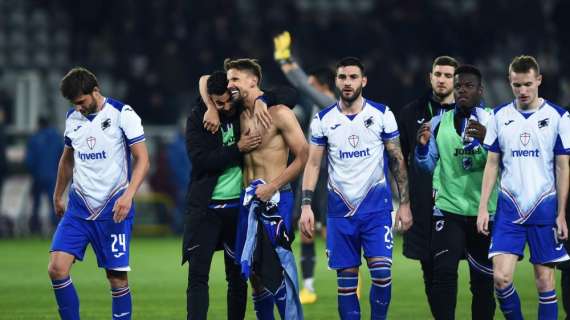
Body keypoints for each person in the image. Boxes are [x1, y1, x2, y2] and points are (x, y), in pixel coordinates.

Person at [299, 57, 412, 319]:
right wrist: (306, 205)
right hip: (339, 213)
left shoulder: (382, 114)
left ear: (363, 81)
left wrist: (405, 204)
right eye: (342, 77)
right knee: (347, 281)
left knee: (382, 273)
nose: (347, 82)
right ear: (336, 81)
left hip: (376, 210)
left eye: (352, 77)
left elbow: (397, 160)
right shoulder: (323, 120)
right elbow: (313, 164)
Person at [184, 70, 295, 320]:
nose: (223, 107)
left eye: (226, 101)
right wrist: (238, 148)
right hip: (206, 209)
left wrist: (264, 100)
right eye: (217, 103)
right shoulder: (198, 118)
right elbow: (201, 162)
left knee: (237, 278)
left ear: (233, 94)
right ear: (209, 99)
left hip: (239, 209)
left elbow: (291, 94)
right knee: (198, 276)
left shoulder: (242, 112)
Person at [47, 67, 150, 320]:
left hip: (113, 209)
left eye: (81, 102)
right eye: (75, 104)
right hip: (79, 208)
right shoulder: (73, 119)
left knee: (116, 278)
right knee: (57, 269)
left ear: (95, 91)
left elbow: (143, 159)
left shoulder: (122, 114)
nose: (79, 107)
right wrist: (58, 194)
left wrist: (128, 195)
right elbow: (66, 161)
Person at [477, 55, 570, 320]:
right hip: (509, 210)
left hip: (544, 209)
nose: (523, 90)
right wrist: (483, 207)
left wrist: (561, 213)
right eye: (517, 85)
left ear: (539, 80)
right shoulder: (498, 116)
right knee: (501, 279)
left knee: (545, 281)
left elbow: (563, 167)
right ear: (510, 82)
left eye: (528, 84)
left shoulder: (559, 117)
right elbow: (492, 164)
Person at [226, 58, 308, 320]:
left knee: (277, 269)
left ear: (253, 81)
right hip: (248, 200)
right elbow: (205, 83)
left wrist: (272, 185)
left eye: (235, 79)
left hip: (276, 199)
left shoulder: (280, 112)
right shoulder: (238, 114)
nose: (230, 85)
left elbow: (303, 155)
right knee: (254, 273)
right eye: (229, 80)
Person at [415, 65, 497, 319]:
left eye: (468, 86)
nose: (462, 90)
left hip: (484, 213)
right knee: (444, 275)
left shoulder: (495, 121)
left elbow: (506, 163)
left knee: (483, 284)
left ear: (480, 90)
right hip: (448, 210)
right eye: (459, 85)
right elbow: (427, 166)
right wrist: (421, 150)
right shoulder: (438, 123)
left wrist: (487, 140)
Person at [273, 30, 336, 304]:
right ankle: (308, 286)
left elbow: (301, 82)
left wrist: (285, 59)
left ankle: (350, 278)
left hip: (330, 178)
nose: (306, 86)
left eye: (311, 83)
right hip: (310, 175)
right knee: (307, 228)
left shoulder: (331, 104)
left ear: (319, 84)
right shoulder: (315, 109)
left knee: (330, 230)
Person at [395, 55, 458, 315]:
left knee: (449, 269)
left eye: (447, 75)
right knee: (429, 269)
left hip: (457, 204)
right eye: (438, 74)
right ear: (430, 77)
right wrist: (404, 204)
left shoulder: (469, 111)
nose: (441, 79)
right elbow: (400, 162)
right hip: (422, 204)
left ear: (456, 80)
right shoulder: (412, 112)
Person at [26, 116, 64, 234]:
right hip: (53, 176)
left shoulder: (34, 138)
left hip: (37, 176)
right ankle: (55, 228)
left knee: (36, 203)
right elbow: (63, 157)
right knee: (54, 202)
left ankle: (35, 227)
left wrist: (33, 172)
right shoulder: (57, 137)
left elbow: (29, 160)